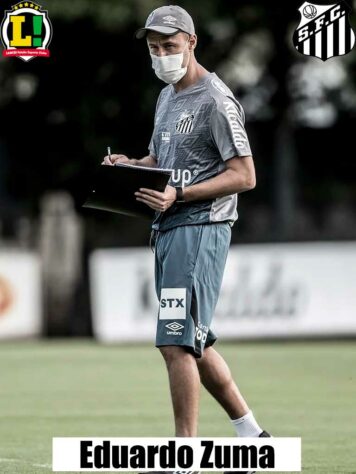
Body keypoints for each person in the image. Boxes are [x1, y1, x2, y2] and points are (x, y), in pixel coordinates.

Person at [103, 5, 270, 474]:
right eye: (154, 48)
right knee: (196, 339)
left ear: (192, 42)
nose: (161, 56)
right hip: (170, 227)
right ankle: (252, 433)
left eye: (169, 46)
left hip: (200, 227)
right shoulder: (167, 96)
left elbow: (245, 175)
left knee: (175, 343)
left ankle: (185, 456)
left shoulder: (216, 100)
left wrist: (181, 194)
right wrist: (130, 165)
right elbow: (163, 155)